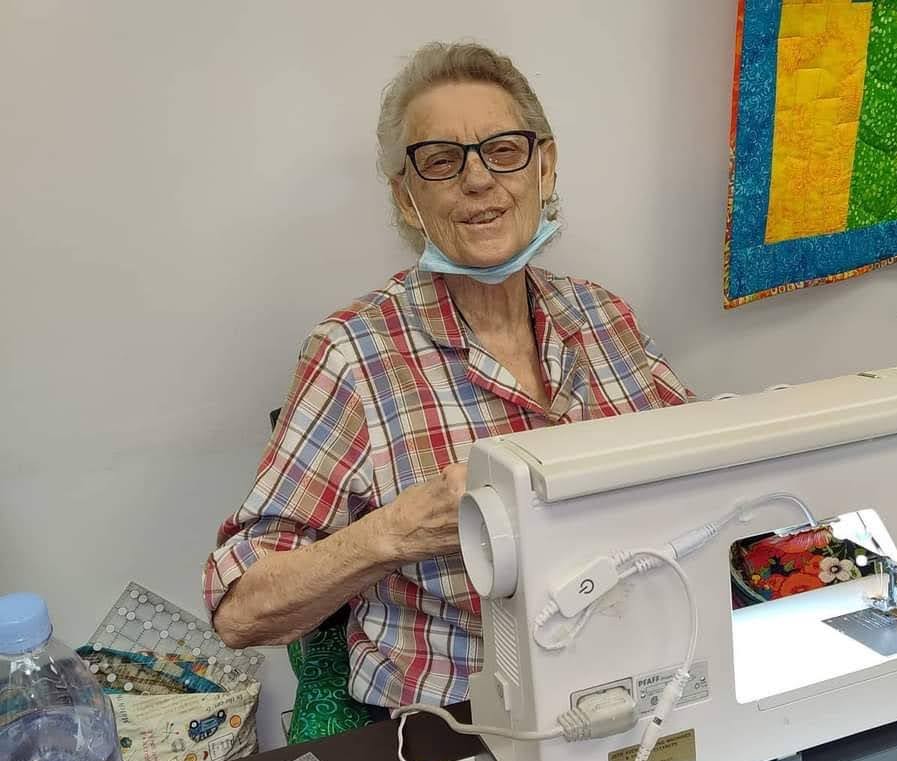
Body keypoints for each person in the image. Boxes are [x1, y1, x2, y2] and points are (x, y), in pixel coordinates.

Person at [204, 42, 689, 716]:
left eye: (503, 150)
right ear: (408, 198)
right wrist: (394, 533)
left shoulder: (603, 317)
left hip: (644, 681)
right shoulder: (354, 354)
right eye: (441, 161)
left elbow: (707, 474)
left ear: (545, 167)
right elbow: (237, 610)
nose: (478, 179)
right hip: (458, 717)